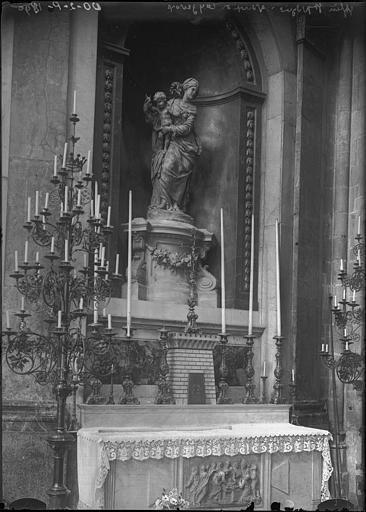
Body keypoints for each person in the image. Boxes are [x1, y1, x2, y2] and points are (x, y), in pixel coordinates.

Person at [148, 77, 202, 213]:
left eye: (196, 91)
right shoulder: (172, 103)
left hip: (188, 146)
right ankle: (163, 203)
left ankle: (177, 206)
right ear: (185, 88)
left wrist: (170, 129)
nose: (194, 93)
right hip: (173, 142)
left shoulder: (193, 109)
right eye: (192, 89)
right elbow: (161, 115)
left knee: (183, 175)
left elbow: (187, 128)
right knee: (166, 168)